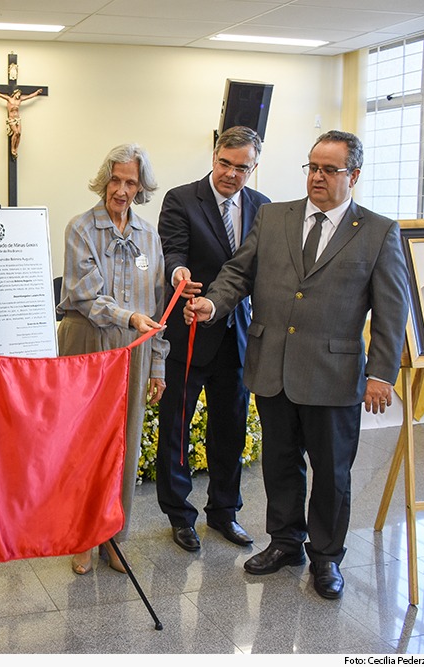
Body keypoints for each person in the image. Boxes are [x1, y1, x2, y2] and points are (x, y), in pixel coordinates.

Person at [185, 130, 409, 600]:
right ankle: (286, 542)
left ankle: (327, 558)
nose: (318, 177)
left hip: (334, 375)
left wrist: (380, 374)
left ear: (354, 176)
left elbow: (392, 310)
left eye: (330, 170)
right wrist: (212, 305)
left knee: (331, 474)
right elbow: (238, 273)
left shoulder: (378, 232)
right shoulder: (272, 216)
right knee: (281, 465)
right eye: (312, 167)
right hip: (274, 367)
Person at [155, 126, 271, 552]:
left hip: (238, 335)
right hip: (189, 330)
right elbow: (174, 251)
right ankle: (179, 515)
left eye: (242, 168)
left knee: (230, 428)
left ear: (254, 168)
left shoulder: (263, 208)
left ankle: (225, 512)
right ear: (214, 155)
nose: (231, 174)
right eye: (225, 163)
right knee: (175, 428)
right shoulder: (182, 199)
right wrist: (177, 274)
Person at [56, 143, 169, 575]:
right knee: (84, 443)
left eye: (131, 182)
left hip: (133, 348)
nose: (122, 190)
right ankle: (81, 536)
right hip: (87, 342)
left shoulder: (148, 236)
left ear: (141, 188)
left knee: (126, 443)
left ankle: (114, 537)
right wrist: (129, 317)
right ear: (105, 180)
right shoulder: (81, 228)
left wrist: (156, 364)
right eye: (116, 180)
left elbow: (156, 307)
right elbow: (85, 295)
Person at [0, 85, 43, 158]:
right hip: (11, 119)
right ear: (15, 93)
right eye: (18, 93)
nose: (19, 95)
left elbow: (29, 96)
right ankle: (12, 148)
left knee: (19, 134)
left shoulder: (19, 100)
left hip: (18, 119)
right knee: (15, 132)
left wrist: (37, 92)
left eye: (20, 94)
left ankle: (16, 149)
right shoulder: (9, 99)